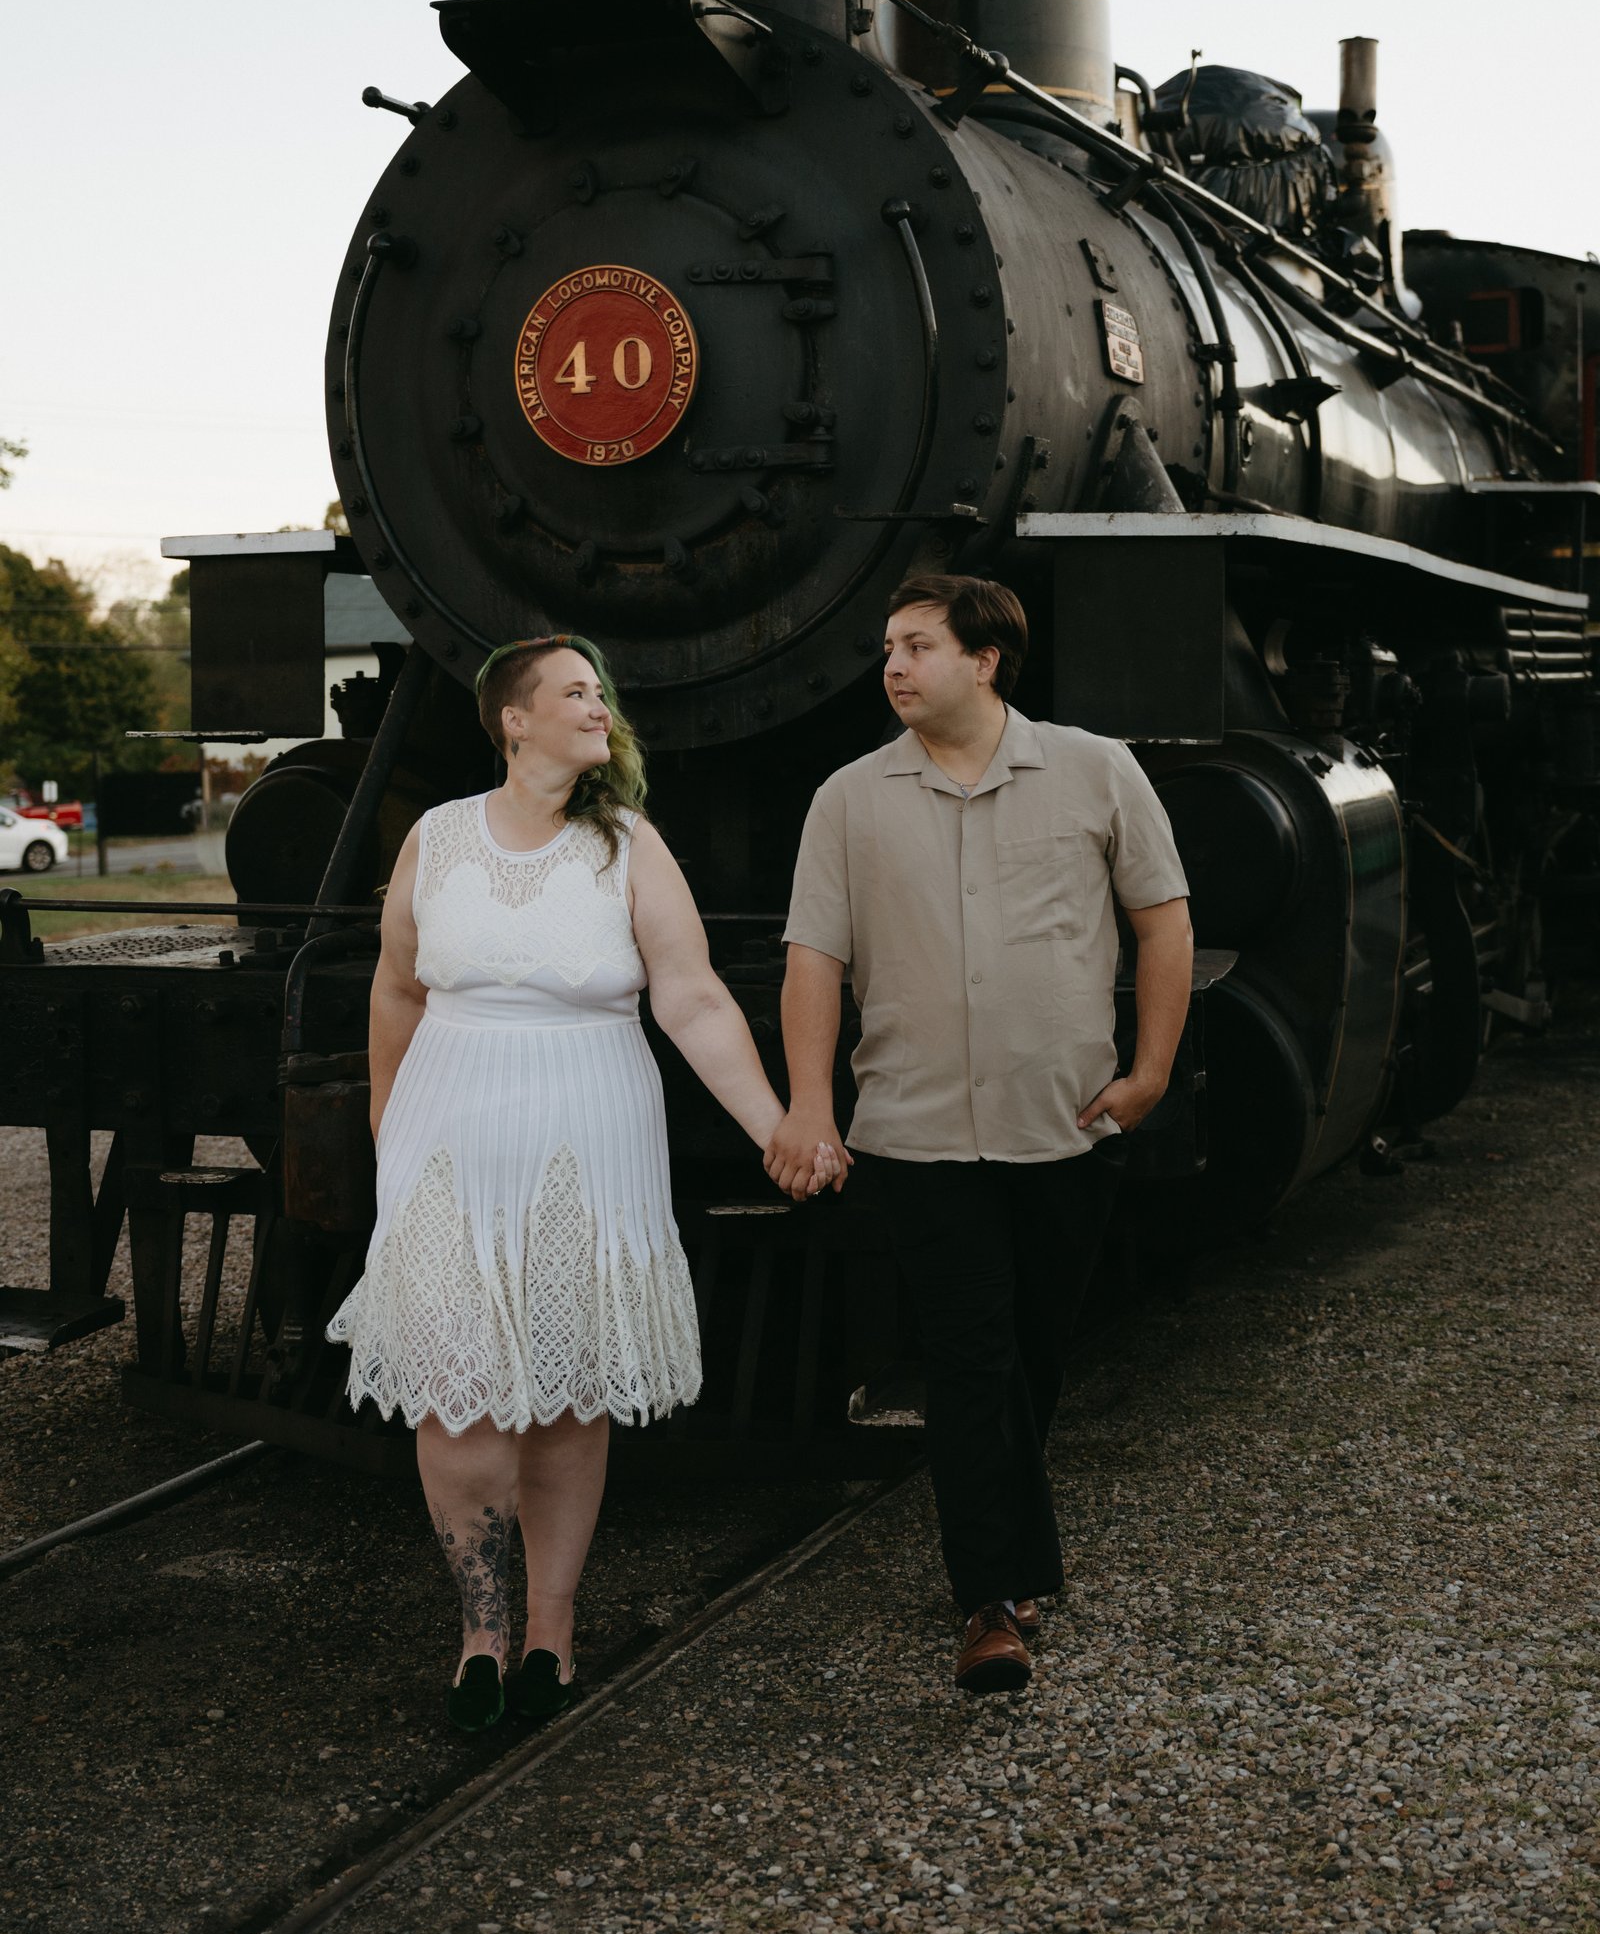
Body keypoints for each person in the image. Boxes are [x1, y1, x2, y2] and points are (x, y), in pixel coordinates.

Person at [329, 635, 836, 1733]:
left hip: (586, 1135)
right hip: (450, 1137)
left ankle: (550, 1632)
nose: (597, 706)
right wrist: (387, 1128)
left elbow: (693, 1001)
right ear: (513, 720)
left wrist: (775, 1128)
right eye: (573, 692)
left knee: (564, 1397)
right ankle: (478, 1632)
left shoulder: (627, 846)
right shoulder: (437, 838)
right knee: (455, 1389)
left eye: (600, 690)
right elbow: (395, 990)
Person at [766, 575, 1192, 1695]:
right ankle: (990, 1603)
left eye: (916, 647)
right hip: (913, 1136)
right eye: (889, 649)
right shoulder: (847, 799)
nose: (893, 667)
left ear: (985, 660)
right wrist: (808, 1104)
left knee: (1031, 1355)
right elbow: (814, 960)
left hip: (1064, 1127)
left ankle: (1008, 1551)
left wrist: (1149, 1072)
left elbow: (1164, 923)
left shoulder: (1096, 770)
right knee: (967, 1357)